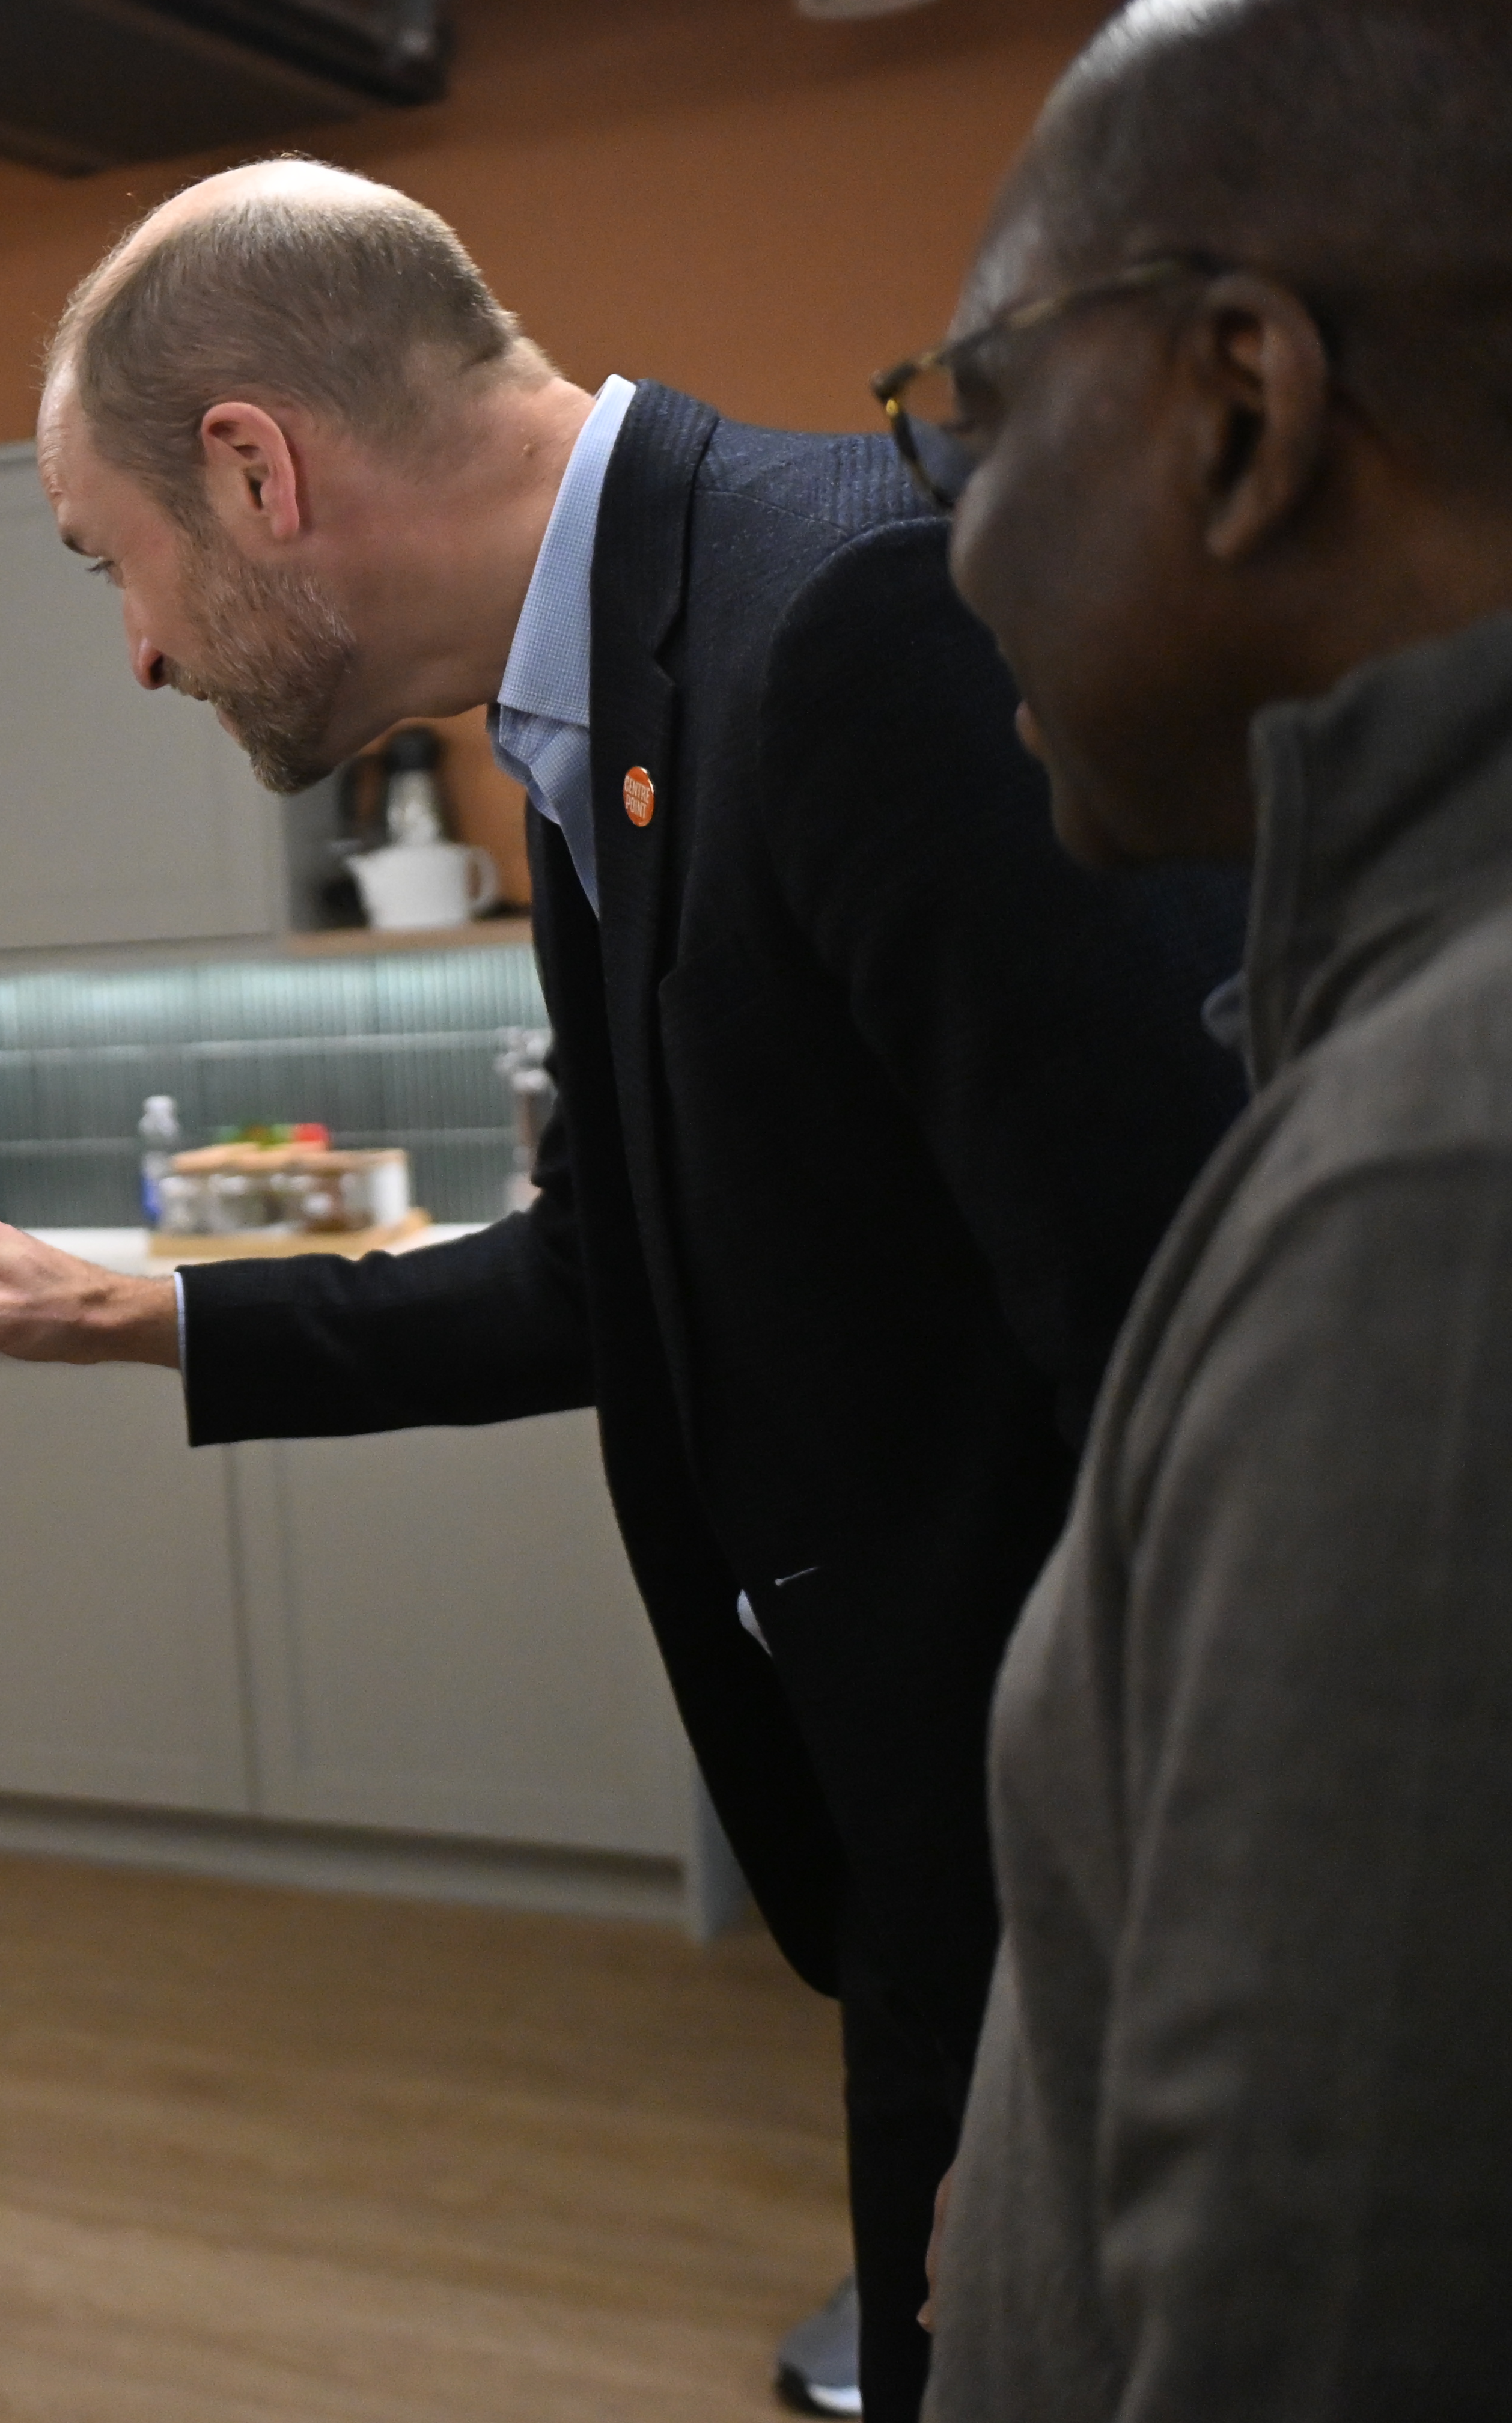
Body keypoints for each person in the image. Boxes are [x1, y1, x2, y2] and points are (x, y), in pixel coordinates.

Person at [0, 162, 1250, 2419]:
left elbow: (1205, 1372)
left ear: (251, 469)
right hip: (939, 1882)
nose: (136, 651)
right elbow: (621, 1269)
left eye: (115, 565)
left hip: (1091, 1914)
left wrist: (1103, 2042)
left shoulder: (849, 621)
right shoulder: (611, 704)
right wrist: (136, 1310)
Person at [901, 2, 1512, 2410]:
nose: (955, 546)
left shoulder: (1434, 1189)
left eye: (977, 415)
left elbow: (1338, 2317)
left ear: (1243, 406)